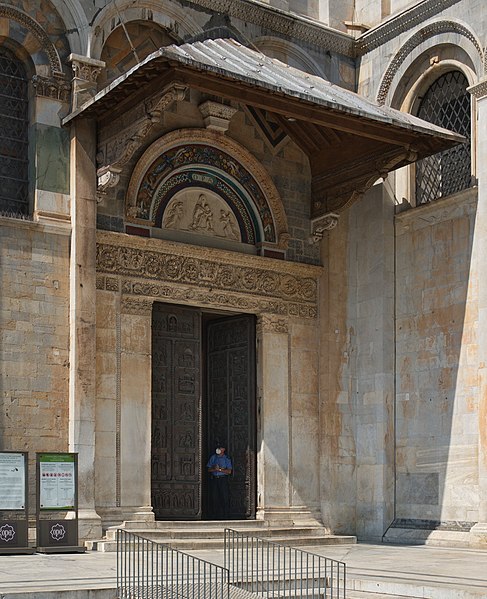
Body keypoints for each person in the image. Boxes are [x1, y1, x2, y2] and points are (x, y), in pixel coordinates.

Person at [207, 445, 232, 519]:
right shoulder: (213, 457)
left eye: (220, 448)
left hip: (223, 479)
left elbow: (229, 471)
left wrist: (220, 470)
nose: (218, 449)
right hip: (215, 479)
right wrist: (214, 469)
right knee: (214, 497)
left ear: (223, 449)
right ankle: (215, 515)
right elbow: (208, 469)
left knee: (224, 497)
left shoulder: (226, 459)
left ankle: (226, 515)